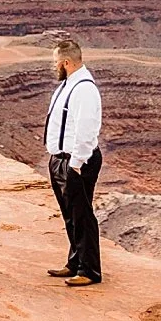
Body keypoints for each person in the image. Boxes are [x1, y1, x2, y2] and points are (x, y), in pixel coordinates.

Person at [43, 39, 104, 287]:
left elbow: (86, 131)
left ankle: (90, 270)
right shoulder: (69, 84)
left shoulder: (84, 89)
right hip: (61, 159)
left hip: (77, 161)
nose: (53, 67)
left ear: (66, 63)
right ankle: (75, 262)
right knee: (70, 215)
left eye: (55, 62)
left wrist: (76, 164)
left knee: (82, 215)